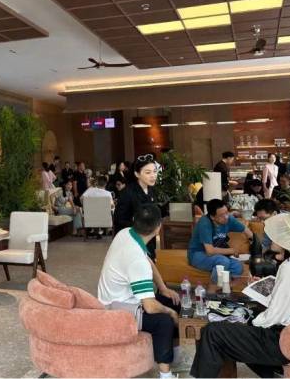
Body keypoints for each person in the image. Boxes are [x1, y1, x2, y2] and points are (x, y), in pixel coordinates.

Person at [191, 212, 290, 378]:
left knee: (213, 332)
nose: (272, 237)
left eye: (280, 232)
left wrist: (246, 321)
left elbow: (272, 317)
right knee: (242, 325)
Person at [98, 204, 179, 379]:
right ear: (158, 227)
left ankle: (174, 355)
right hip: (116, 309)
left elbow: (147, 260)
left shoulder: (126, 233)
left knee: (173, 300)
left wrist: (163, 289)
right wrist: (170, 312)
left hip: (119, 298)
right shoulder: (136, 261)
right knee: (164, 321)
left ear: (135, 221)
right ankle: (165, 374)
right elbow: (149, 306)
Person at [187, 199, 252, 284]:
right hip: (197, 254)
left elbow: (247, 232)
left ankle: (225, 288)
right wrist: (232, 250)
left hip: (216, 255)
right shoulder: (205, 223)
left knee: (237, 267)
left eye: (226, 212)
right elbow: (209, 251)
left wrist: (255, 244)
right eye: (221, 215)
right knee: (223, 261)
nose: (226, 217)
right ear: (212, 217)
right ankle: (212, 289)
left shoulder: (229, 219)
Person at [114, 156, 167, 259]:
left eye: (154, 171)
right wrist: (142, 227)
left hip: (149, 240)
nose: (153, 176)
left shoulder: (151, 190)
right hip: (133, 242)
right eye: (148, 172)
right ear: (137, 174)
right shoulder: (128, 193)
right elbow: (119, 220)